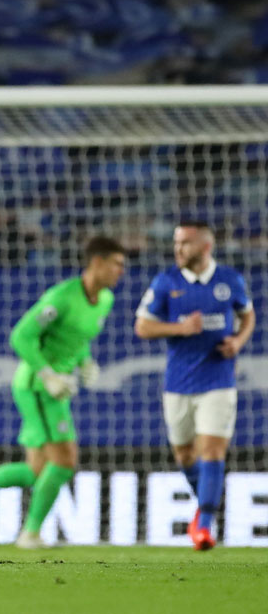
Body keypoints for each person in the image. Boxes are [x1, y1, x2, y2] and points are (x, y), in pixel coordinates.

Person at [0, 237, 126, 548]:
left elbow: (78, 338)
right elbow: (22, 337)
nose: (121, 271)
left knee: (37, 471)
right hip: (37, 386)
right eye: (116, 264)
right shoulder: (61, 297)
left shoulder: (105, 300)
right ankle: (30, 534)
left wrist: (85, 363)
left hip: (57, 390)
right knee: (66, 460)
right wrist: (48, 374)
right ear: (97, 263)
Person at [135, 222, 255, 551]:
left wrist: (238, 342)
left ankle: (203, 526)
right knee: (185, 454)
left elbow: (248, 315)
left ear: (205, 247)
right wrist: (180, 328)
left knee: (212, 451)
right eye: (176, 242)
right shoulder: (166, 282)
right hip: (177, 383)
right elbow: (142, 327)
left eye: (185, 243)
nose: (178, 249)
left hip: (219, 379)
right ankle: (205, 506)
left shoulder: (230, 280)